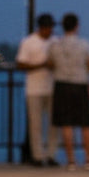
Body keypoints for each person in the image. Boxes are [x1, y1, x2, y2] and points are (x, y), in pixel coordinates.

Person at [50, 13, 89, 170]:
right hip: (80, 85)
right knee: (85, 124)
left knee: (66, 125)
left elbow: (51, 63)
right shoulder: (84, 44)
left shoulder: (55, 45)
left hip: (61, 85)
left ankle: (71, 161)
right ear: (77, 26)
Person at [16, 13, 58, 167]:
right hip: (34, 89)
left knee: (54, 124)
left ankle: (51, 154)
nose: (51, 30)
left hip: (52, 88)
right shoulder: (28, 42)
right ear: (42, 27)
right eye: (49, 27)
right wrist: (42, 65)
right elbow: (20, 64)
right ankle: (38, 156)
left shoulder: (55, 42)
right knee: (36, 124)